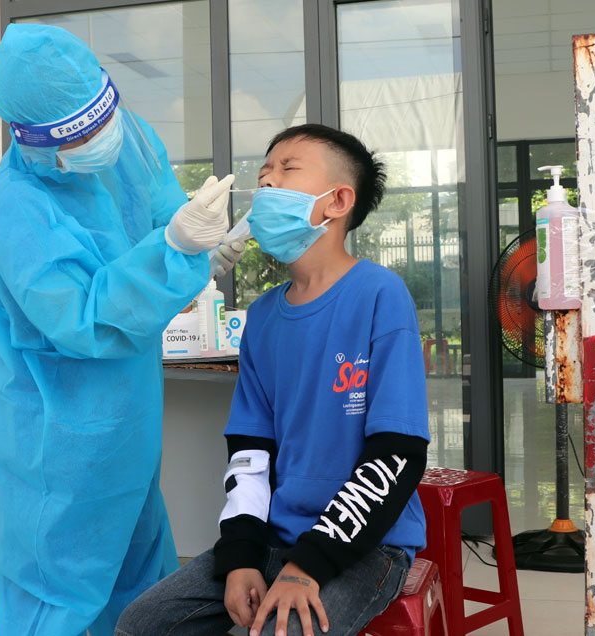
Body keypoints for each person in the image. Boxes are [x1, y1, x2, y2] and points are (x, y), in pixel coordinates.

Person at [0, 24, 244, 636]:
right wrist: (173, 252)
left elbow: (161, 214)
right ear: (34, 139)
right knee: (56, 591)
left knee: (143, 584)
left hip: (130, 421)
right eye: (84, 133)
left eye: (104, 118)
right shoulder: (11, 207)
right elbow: (83, 317)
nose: (104, 139)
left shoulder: (129, 139)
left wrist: (204, 246)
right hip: (57, 439)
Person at [116, 124, 431, 636]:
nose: (265, 186)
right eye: (262, 175)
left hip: (365, 547)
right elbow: (250, 450)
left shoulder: (380, 295)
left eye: (286, 171)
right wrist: (240, 555)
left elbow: (397, 452)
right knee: (141, 625)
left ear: (338, 201)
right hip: (272, 538)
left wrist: (308, 567)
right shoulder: (262, 317)